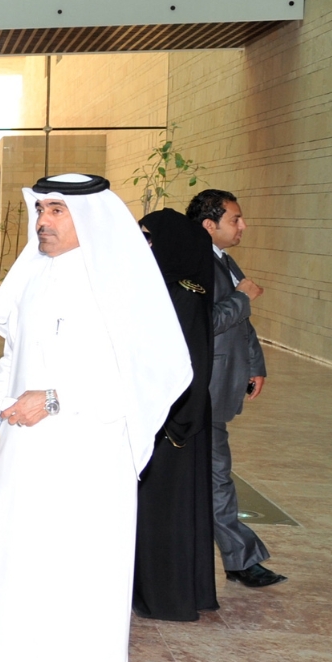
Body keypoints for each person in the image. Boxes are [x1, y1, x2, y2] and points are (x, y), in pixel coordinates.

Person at [0, 174, 192, 662]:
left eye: (56, 210)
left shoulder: (116, 284)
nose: (44, 221)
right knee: (6, 561)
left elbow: (145, 376)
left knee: (68, 574)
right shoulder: (34, 275)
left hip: (87, 455)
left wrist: (53, 400)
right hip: (23, 452)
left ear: (89, 218)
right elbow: (14, 360)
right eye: (41, 209)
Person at [190, 189, 283, 588]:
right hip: (202, 392)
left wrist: (255, 364)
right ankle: (241, 560)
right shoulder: (195, 263)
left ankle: (240, 558)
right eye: (235, 219)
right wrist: (243, 299)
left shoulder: (223, 260)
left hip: (221, 384)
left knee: (217, 475)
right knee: (218, 476)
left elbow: (241, 325)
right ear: (209, 225)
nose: (243, 226)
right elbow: (201, 323)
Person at [132, 208, 220, 621]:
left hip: (172, 424)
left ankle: (165, 597)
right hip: (159, 417)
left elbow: (189, 366)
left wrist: (173, 425)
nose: (144, 246)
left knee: (166, 513)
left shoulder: (185, 292)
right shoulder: (161, 288)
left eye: (150, 238)